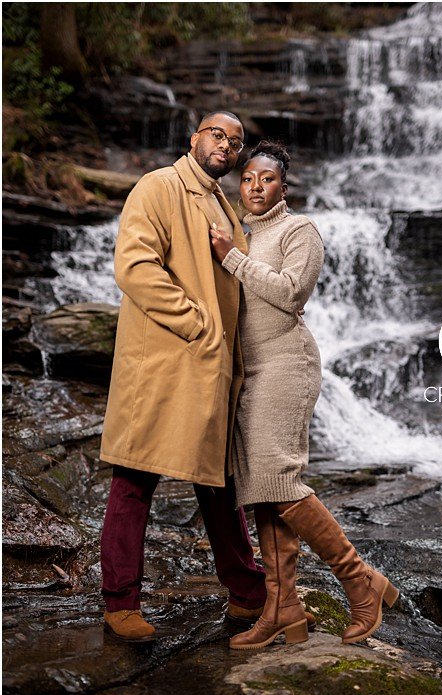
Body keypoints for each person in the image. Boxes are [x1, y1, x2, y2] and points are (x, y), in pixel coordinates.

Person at [207, 141, 400, 649]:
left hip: (288, 365)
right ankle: (281, 607)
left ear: (282, 187)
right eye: (247, 179)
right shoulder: (242, 235)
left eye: (265, 180)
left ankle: (360, 581)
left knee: (282, 482)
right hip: (251, 373)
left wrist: (231, 258)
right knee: (264, 491)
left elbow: (292, 293)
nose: (254, 187)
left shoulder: (299, 231)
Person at [98, 111, 267, 641]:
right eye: (218, 134)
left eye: (236, 141)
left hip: (209, 368)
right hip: (165, 365)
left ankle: (248, 593)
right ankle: (120, 602)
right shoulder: (159, 186)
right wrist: (197, 324)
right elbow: (135, 267)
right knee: (134, 478)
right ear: (194, 137)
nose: (227, 145)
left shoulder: (222, 202)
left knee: (219, 482)